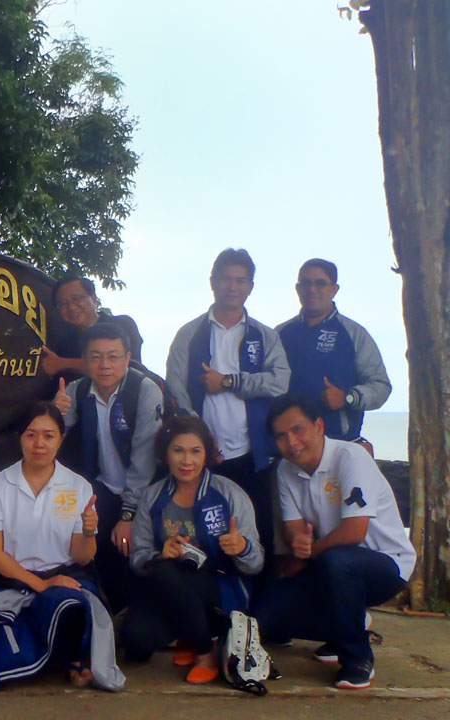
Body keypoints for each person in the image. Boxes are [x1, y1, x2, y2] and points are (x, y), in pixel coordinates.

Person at [252, 395, 415, 689]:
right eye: (281, 435)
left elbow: (354, 532)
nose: (291, 442)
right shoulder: (285, 470)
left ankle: (356, 658)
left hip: (386, 565)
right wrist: (299, 542)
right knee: (265, 617)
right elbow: (293, 528)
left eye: (297, 430)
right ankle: (348, 624)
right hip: (329, 565)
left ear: (318, 426)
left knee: (337, 560)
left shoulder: (351, 457)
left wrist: (310, 551)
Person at [0, 402, 125, 692]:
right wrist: (40, 584)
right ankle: (47, 650)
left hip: (63, 579)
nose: (39, 443)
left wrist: (89, 531)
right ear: (20, 438)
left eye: (49, 436)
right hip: (12, 580)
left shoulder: (78, 487)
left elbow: (82, 557)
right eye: (31, 435)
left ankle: (73, 659)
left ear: (61, 440)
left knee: (70, 605)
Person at [165, 248, 289, 555]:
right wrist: (202, 441)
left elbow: (280, 382)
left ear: (250, 287)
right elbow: (176, 389)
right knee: (203, 533)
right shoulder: (189, 334)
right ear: (212, 282)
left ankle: (258, 587)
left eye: (240, 280)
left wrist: (230, 381)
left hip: (253, 455)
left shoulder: (264, 336)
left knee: (258, 531)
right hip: (203, 458)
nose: (232, 287)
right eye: (225, 279)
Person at [123, 413, 263, 684]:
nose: (187, 461)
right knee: (135, 639)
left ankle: (204, 651)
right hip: (169, 587)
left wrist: (242, 547)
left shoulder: (229, 493)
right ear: (165, 454)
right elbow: (138, 558)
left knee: (165, 571)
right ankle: (189, 633)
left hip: (218, 588)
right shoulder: (152, 496)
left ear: (206, 454)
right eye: (178, 451)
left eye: (195, 451)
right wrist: (159, 554)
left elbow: (256, 564)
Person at [53, 322, 162, 612]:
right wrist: (55, 413)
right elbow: (52, 438)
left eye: (113, 356)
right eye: (96, 357)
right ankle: (111, 612)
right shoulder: (78, 390)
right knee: (94, 547)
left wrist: (129, 513)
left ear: (127, 358)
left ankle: (142, 614)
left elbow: (144, 459)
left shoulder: (143, 391)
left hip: (146, 491)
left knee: (132, 549)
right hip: (101, 488)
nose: (105, 365)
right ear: (85, 360)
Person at [276, 258, 391, 450]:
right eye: (305, 283)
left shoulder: (354, 334)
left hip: (340, 444)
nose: (312, 289)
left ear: (334, 289)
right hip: (291, 447)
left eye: (320, 283)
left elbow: (381, 387)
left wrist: (348, 397)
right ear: (297, 288)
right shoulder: (279, 334)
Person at [41, 273, 144, 380]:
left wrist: (64, 363)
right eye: (62, 303)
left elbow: (127, 368)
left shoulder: (122, 324)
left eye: (76, 299)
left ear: (93, 298)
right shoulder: (64, 346)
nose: (71, 307)